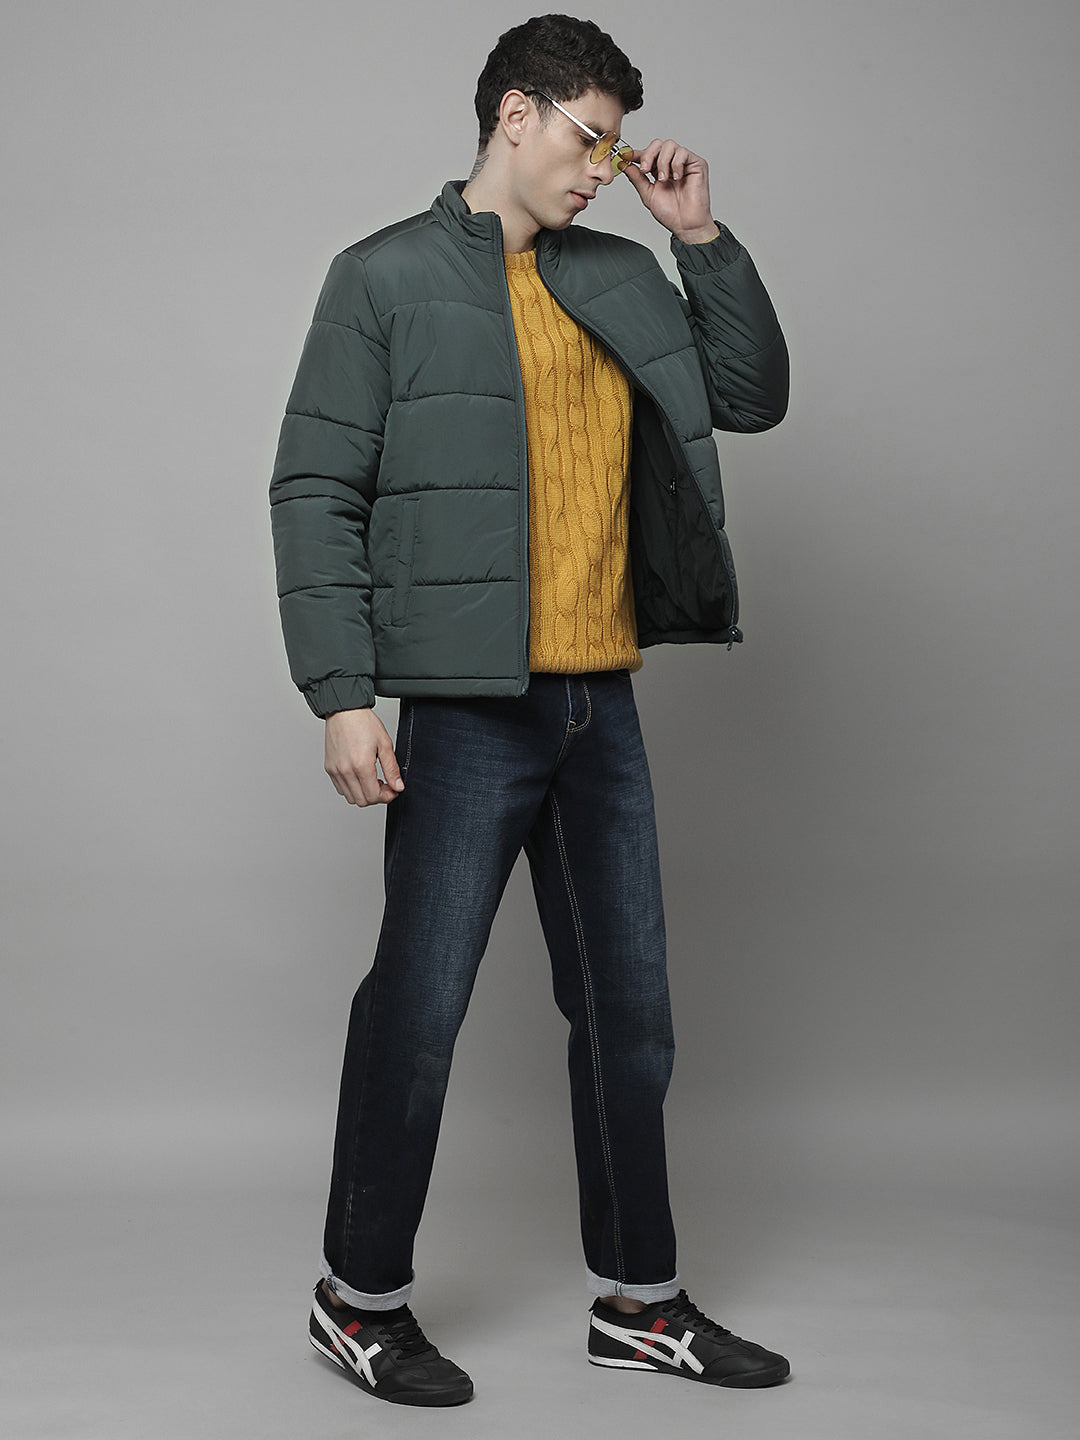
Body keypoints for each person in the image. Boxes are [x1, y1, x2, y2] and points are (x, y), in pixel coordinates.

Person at [269, 13, 790, 1409]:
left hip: (599, 703)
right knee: (420, 1005)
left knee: (632, 1016)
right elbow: (315, 490)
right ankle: (357, 1300)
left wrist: (700, 237)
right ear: (515, 114)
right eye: (590, 138)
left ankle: (640, 1301)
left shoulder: (619, 271)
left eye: (617, 146)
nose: (605, 167)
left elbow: (752, 398)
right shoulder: (383, 276)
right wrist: (342, 695)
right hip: (464, 711)